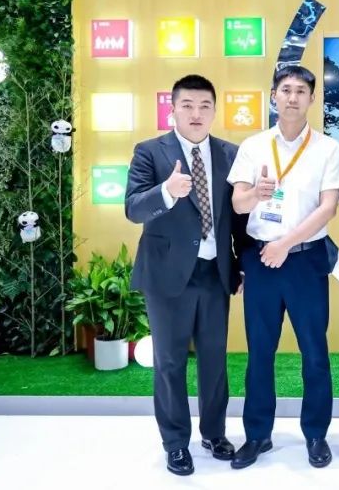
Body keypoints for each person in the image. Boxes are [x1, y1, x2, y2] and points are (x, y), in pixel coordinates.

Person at [226, 65, 339, 470]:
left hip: (305, 261)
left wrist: (285, 244)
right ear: (273, 96)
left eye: (300, 91)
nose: (292, 97)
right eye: (285, 90)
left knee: (314, 351)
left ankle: (316, 434)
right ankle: (257, 435)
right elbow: (237, 203)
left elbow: (328, 209)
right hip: (261, 261)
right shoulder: (253, 146)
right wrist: (255, 196)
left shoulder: (328, 148)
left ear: (312, 98)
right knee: (260, 352)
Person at [124, 74, 242, 476]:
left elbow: (238, 219)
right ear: (172, 109)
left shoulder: (230, 154)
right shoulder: (149, 152)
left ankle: (214, 433)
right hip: (166, 276)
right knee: (170, 363)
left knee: (215, 361)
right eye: (187, 105)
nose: (196, 113)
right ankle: (175, 443)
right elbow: (133, 208)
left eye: (204, 106)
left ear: (214, 111)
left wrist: (240, 264)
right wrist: (167, 191)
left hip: (215, 273)